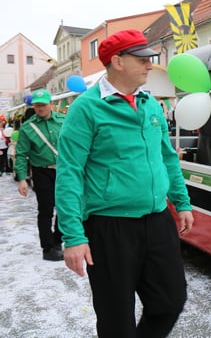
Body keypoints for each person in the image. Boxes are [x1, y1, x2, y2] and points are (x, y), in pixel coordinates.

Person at [54, 29, 194, 337]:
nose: (149, 65)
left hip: (157, 221)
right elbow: (69, 173)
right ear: (117, 61)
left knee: (170, 301)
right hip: (109, 227)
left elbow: (167, 157)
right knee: (116, 319)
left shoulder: (150, 104)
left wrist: (181, 202)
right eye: (141, 59)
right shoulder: (86, 108)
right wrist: (73, 236)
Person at [14, 89, 65, 261]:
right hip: (41, 171)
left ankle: (57, 241)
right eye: (37, 105)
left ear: (51, 104)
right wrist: (22, 179)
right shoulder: (28, 128)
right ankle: (47, 248)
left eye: (43, 105)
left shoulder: (63, 121)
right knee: (45, 209)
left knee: (64, 207)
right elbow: (21, 154)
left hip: (63, 170)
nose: (40, 108)